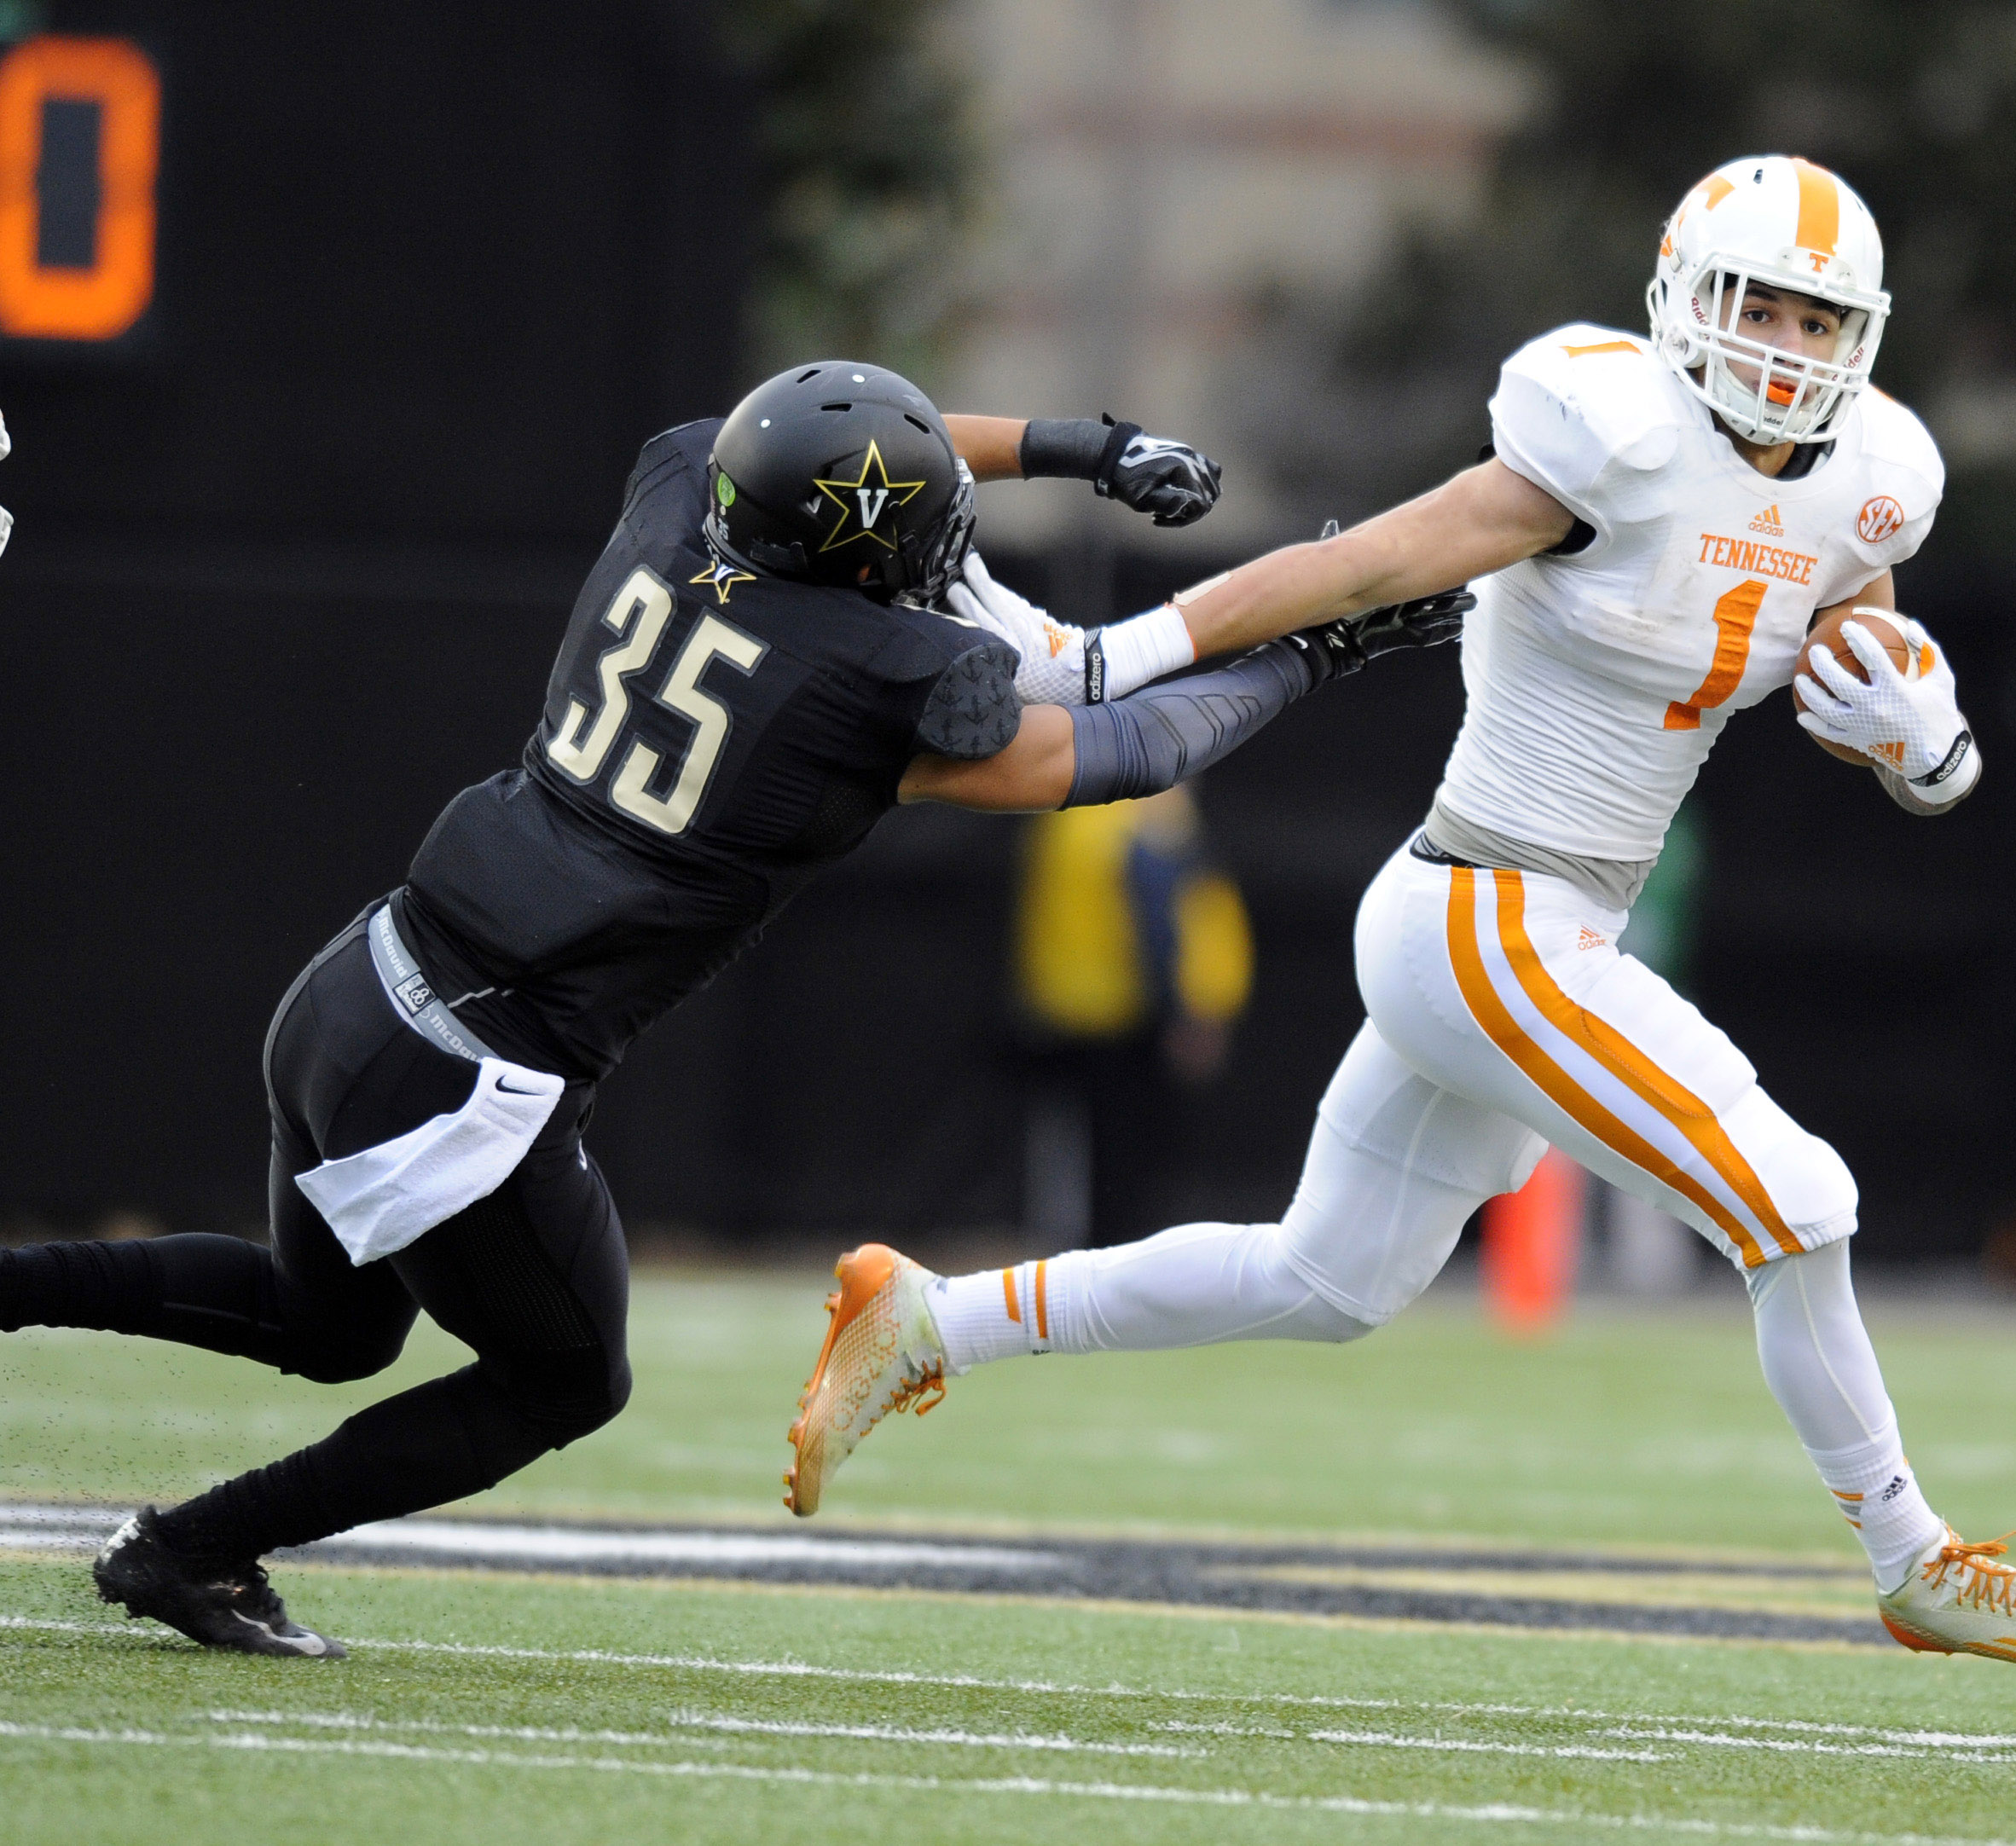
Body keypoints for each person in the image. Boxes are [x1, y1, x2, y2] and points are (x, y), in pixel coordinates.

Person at [793, 158, 2016, 1669]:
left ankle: (929, 1321)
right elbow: (1356, 564)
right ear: (1684, 301)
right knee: (1800, 1200)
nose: (1782, 344)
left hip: (1536, 927)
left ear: (1862, 339)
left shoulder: (1866, 478)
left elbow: (1871, 659)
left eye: (1818, 319)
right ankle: (1916, 1559)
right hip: (1490, 909)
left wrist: (1930, 747)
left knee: (1326, 1280)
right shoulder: (1606, 434)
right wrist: (1117, 656)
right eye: (1756, 302)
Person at [0, 362, 1464, 1658]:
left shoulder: (674, 495)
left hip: (365, 974)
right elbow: (1128, 743)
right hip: (469, 1067)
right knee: (563, 1380)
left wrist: (1081, 445)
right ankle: (189, 1546)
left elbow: (836, 440)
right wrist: (1313, 651)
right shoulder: (870, 680)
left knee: (321, 1328)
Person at [1012, 781, 1253, 1245]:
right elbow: (1160, 908)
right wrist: (1184, 1009)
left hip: (1061, 1008)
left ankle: (1073, 1265)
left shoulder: (1060, 805)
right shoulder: (1150, 806)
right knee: (1131, 1165)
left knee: (1078, 1158)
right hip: (1126, 1013)